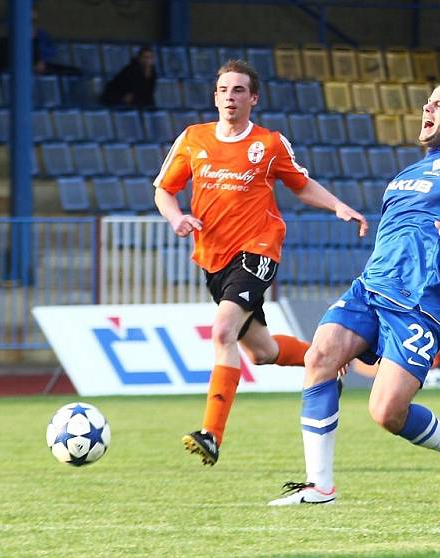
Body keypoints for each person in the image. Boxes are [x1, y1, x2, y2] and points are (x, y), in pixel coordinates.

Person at [267, 83, 440, 506]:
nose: (427, 108)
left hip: (420, 302)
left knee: (387, 413)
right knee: (320, 356)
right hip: (371, 288)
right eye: (427, 102)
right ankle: (319, 486)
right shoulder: (405, 175)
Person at [153, 59, 368, 466]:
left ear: (253, 98)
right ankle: (326, 360)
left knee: (222, 332)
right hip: (213, 260)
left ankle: (212, 434)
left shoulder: (269, 144)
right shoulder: (192, 139)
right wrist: (176, 216)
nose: (229, 98)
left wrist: (339, 206)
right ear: (215, 97)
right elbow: (164, 190)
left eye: (238, 91)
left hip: (257, 252)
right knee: (263, 352)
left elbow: (301, 186)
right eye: (223, 90)